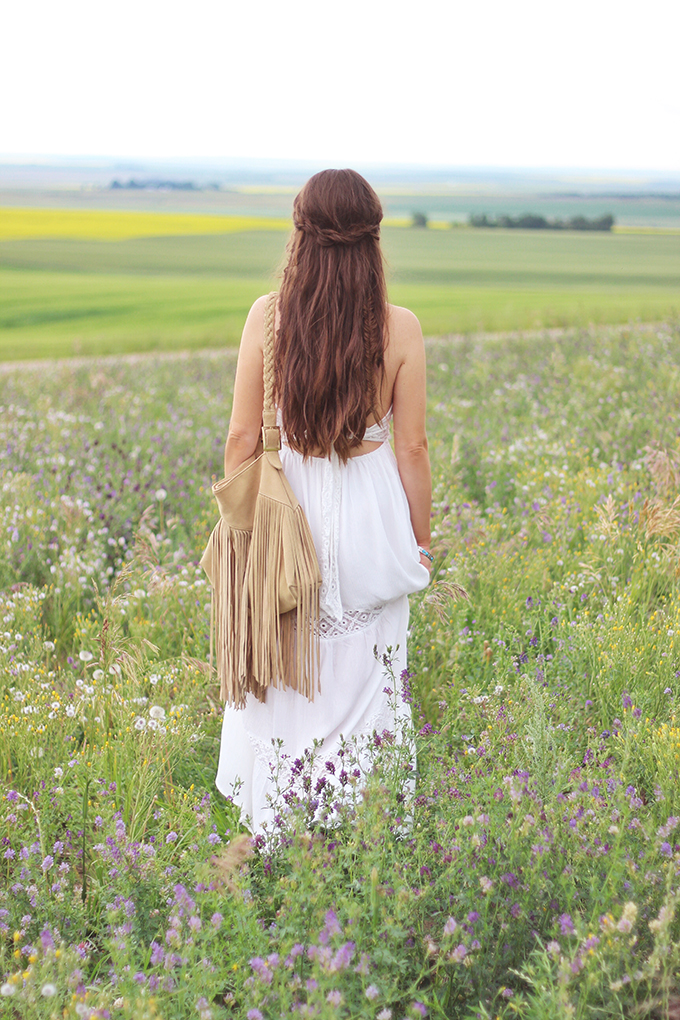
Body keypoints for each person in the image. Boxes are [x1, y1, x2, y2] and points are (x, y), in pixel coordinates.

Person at [215, 168, 432, 834]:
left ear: (300, 234)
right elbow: (413, 449)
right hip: (371, 508)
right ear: (372, 239)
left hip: (287, 508)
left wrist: (239, 536)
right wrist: (418, 544)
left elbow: (242, 438)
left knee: (282, 667)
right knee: (369, 673)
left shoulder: (268, 317)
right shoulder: (400, 328)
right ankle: (363, 831)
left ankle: (280, 830)